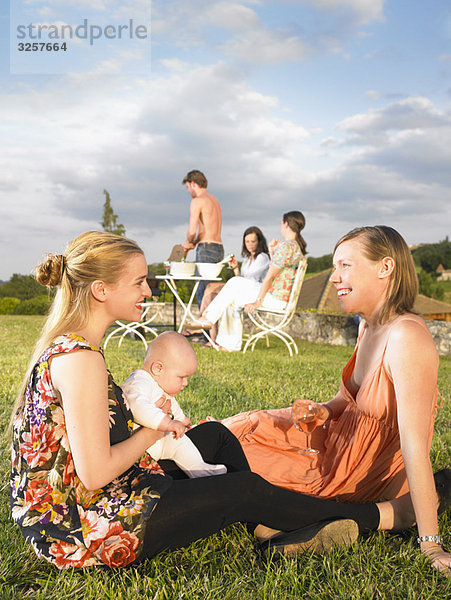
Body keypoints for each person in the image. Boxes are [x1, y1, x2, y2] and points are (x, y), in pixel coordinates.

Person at [10, 230, 414, 570]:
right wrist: (152, 432)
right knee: (246, 488)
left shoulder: (78, 348)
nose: (147, 290)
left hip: (110, 490)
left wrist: (155, 431)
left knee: (217, 436)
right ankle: (381, 517)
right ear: (101, 290)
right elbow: (95, 473)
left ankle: (269, 527)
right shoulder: (80, 360)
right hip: (83, 524)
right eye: (138, 281)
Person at [221, 225, 451, 575]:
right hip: (335, 442)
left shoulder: (407, 337)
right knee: (241, 429)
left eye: (345, 265)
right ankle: (283, 523)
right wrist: (325, 409)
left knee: (235, 460)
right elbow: (351, 398)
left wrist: (431, 544)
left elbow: (414, 447)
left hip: (359, 468)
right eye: (334, 266)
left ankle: (297, 519)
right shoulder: (368, 325)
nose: (333, 278)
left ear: (385, 268)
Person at [188, 211, 306, 351]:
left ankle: (208, 318)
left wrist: (257, 302)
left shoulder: (287, 247)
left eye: (282, 223)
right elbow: (281, 273)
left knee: (234, 283)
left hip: (275, 298)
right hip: (279, 297)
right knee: (232, 296)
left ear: (286, 224)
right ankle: (228, 344)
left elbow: (270, 277)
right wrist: (273, 251)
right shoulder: (294, 246)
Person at [122, 331, 227, 478]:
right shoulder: (139, 382)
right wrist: (167, 423)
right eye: (181, 377)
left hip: (158, 443)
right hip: (139, 450)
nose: (186, 383)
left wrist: (181, 418)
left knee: (181, 442)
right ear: (158, 368)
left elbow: (171, 404)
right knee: (178, 439)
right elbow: (137, 406)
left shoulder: (160, 386)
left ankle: (199, 470)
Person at [186, 226, 270, 346]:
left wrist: (237, 276)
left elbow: (247, 281)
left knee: (210, 289)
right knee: (209, 288)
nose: (250, 244)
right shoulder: (247, 259)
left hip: (253, 294)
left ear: (259, 242)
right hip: (242, 289)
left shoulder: (263, 258)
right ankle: (211, 337)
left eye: (253, 241)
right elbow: (240, 279)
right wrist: (235, 268)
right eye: (247, 241)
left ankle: (204, 321)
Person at [182, 170, 223, 307]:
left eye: (188, 187)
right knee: (212, 293)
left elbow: (192, 232)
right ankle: (213, 328)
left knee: (202, 292)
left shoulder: (197, 201)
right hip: (218, 248)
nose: (188, 191)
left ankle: (204, 328)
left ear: (193, 184)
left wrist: (189, 241)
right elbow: (209, 229)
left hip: (206, 249)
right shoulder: (214, 200)